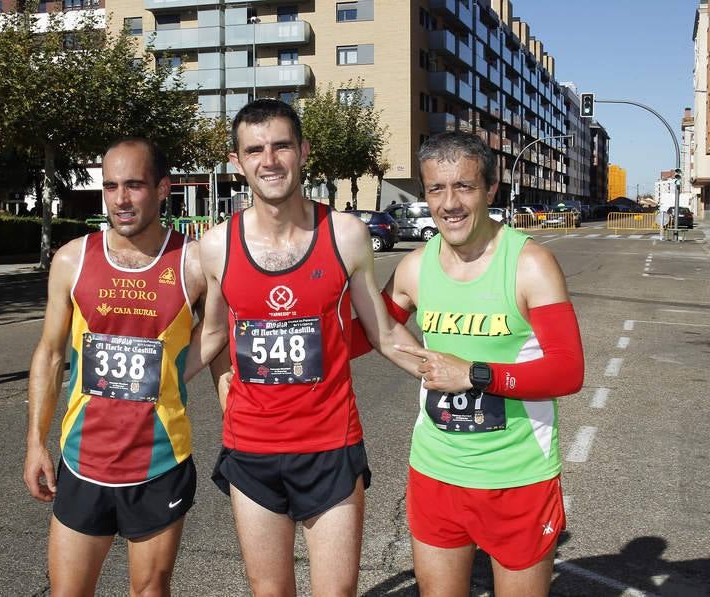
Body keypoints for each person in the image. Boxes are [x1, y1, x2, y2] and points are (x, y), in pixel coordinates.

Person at [196, 98, 422, 596]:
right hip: (251, 449)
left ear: (304, 151)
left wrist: (455, 372)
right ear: (237, 163)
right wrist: (145, 383)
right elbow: (211, 337)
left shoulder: (346, 234)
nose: (269, 160)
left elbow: (383, 332)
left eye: (281, 146)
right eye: (254, 150)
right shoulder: (214, 246)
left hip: (331, 446)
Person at [351, 131, 584, 596]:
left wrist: (475, 374)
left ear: (491, 189)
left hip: (517, 478)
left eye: (464, 187)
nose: (449, 203)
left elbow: (568, 371)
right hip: (436, 472)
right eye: (436, 188)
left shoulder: (530, 264)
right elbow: (364, 335)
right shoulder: (416, 267)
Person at [23, 138, 208, 596]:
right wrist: (34, 443)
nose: (121, 199)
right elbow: (49, 354)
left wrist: (173, 372)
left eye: (135, 185)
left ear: (163, 188)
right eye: (110, 186)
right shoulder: (72, 259)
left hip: (160, 460)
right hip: (83, 458)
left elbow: (221, 336)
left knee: (149, 590)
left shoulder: (196, 262)